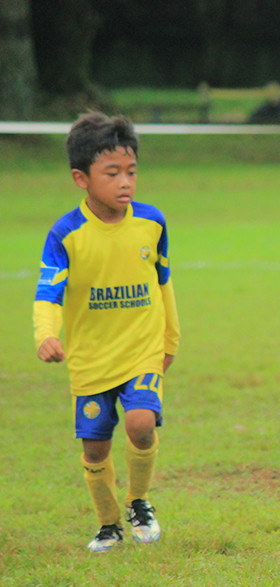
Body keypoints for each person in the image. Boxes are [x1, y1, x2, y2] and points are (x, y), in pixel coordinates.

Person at [33, 112, 180, 553]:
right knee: (95, 448)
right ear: (81, 178)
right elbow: (48, 293)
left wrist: (170, 339)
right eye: (112, 173)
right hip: (91, 358)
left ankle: (139, 502)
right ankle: (108, 524)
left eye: (131, 171)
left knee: (140, 424)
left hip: (142, 350)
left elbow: (164, 284)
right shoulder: (66, 234)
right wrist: (46, 334)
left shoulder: (152, 222)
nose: (125, 183)